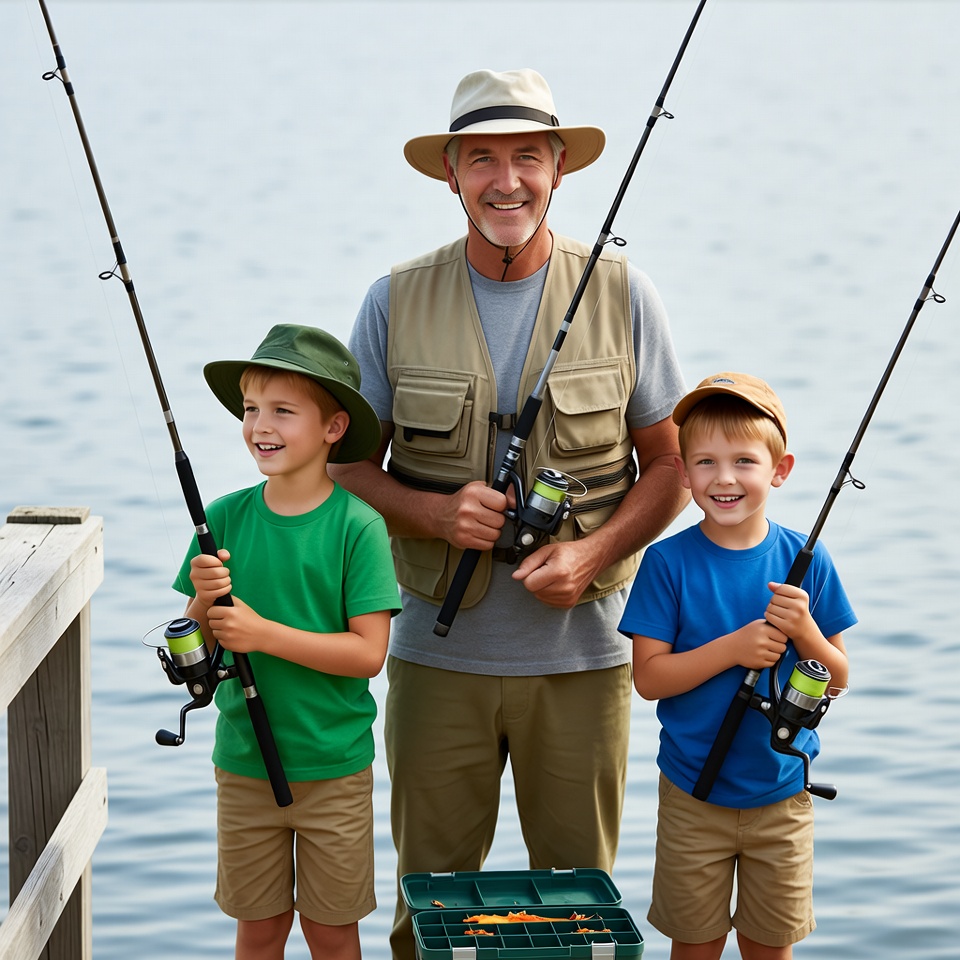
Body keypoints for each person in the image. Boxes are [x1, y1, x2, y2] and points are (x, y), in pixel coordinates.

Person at [328, 68, 689, 960]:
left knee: (584, 918)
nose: (506, 180)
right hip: (432, 662)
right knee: (428, 914)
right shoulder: (391, 299)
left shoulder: (625, 293)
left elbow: (674, 463)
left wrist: (594, 549)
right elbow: (342, 471)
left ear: (559, 168)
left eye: (527, 156)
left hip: (586, 664)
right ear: (450, 173)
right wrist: (432, 513)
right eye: (480, 158)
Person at [172, 324, 402, 960]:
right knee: (260, 929)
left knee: (331, 932)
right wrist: (199, 599)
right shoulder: (220, 518)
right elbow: (197, 643)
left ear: (333, 428)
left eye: (281, 411)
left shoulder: (361, 526)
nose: (258, 426)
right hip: (243, 764)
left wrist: (263, 635)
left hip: (334, 768)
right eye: (250, 410)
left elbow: (368, 654)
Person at [619, 372, 856, 960]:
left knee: (769, 948)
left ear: (780, 469)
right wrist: (733, 648)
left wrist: (804, 631)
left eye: (744, 461)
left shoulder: (807, 558)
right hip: (692, 794)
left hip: (780, 796)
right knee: (694, 945)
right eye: (705, 462)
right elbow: (648, 679)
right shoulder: (666, 563)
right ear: (685, 472)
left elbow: (840, 675)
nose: (724, 479)